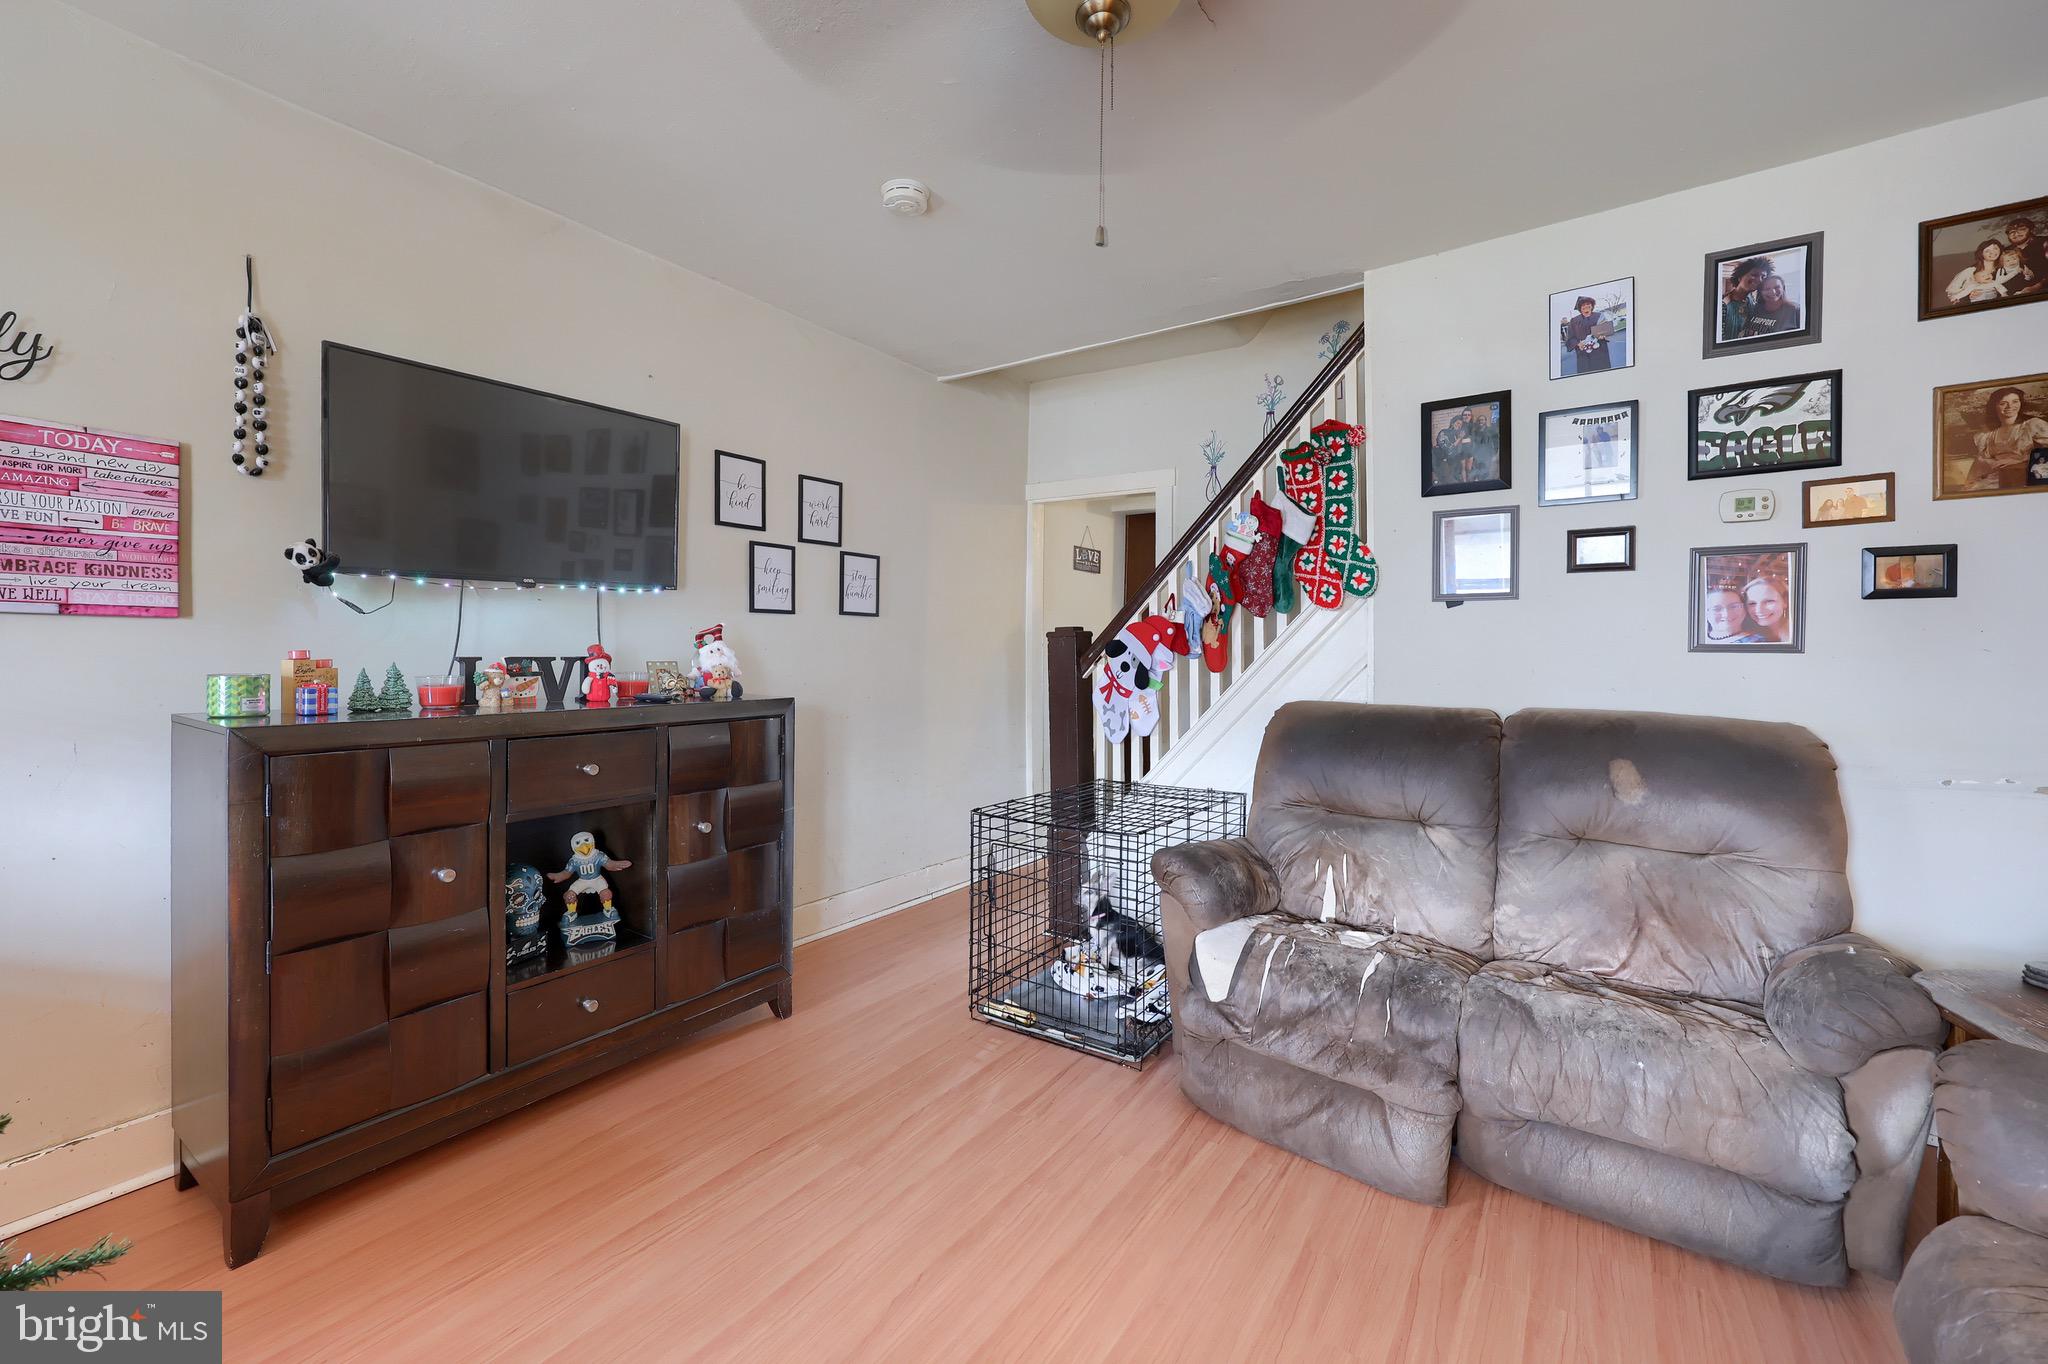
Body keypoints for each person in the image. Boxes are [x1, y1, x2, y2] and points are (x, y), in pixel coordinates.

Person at [1965, 385, 2048, 491]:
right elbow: (1980, 462)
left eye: (2015, 401)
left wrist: (2019, 461)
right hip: (1995, 479)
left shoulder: (2033, 425)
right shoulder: (1987, 434)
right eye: (2003, 403)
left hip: (2027, 477)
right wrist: (1992, 464)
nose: (2010, 406)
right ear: (1994, 406)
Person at [1946, 239, 2010, 305]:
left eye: (1995, 248)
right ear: (1981, 254)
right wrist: (1969, 293)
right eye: (1987, 251)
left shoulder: (2005, 268)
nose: (1992, 252)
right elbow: (1951, 292)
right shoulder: (1970, 271)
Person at [1721, 257, 1771, 339]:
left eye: (1763, 277)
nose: (1760, 280)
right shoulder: (1723, 304)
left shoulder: (1751, 299)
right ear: (1740, 277)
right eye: (1754, 275)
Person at [1560, 296, 1611, 373]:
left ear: (1592, 305)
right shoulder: (1574, 321)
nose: (1586, 306)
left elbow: (1606, 330)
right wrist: (1578, 343)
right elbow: (1570, 338)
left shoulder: (1600, 316)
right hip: (1583, 354)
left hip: (1600, 351)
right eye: (1583, 305)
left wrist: (1604, 335)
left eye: (1588, 304)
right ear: (1580, 308)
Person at [2003, 216, 2048, 295]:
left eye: (2021, 229)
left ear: (2031, 230)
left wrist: (2037, 287)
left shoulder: (2044, 242)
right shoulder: (2006, 251)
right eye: (2012, 232)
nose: (2016, 234)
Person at [1741, 575, 1790, 643]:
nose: (1759, 610)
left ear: (1785, 602)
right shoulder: (1743, 638)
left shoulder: (1799, 632)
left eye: (1768, 601)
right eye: (1752, 603)